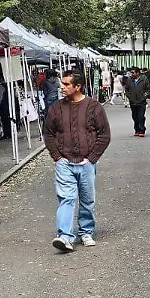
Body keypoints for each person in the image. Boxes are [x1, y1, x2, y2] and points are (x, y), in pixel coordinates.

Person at [44, 71, 111, 252]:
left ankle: (86, 231)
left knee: (87, 198)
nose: (62, 87)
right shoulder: (56, 108)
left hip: (86, 162)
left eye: (66, 84)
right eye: (62, 84)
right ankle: (64, 236)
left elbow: (104, 134)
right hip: (64, 162)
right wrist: (57, 157)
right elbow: (49, 134)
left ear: (78, 86)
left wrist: (91, 158)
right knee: (66, 198)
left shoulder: (94, 107)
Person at [124, 68, 150, 137]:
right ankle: (137, 129)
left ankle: (142, 130)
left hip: (141, 101)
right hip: (133, 101)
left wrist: (144, 97)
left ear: (138, 73)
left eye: (133, 73)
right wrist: (130, 97)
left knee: (141, 116)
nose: (132, 74)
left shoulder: (144, 79)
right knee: (135, 116)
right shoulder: (129, 80)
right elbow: (126, 89)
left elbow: (148, 89)